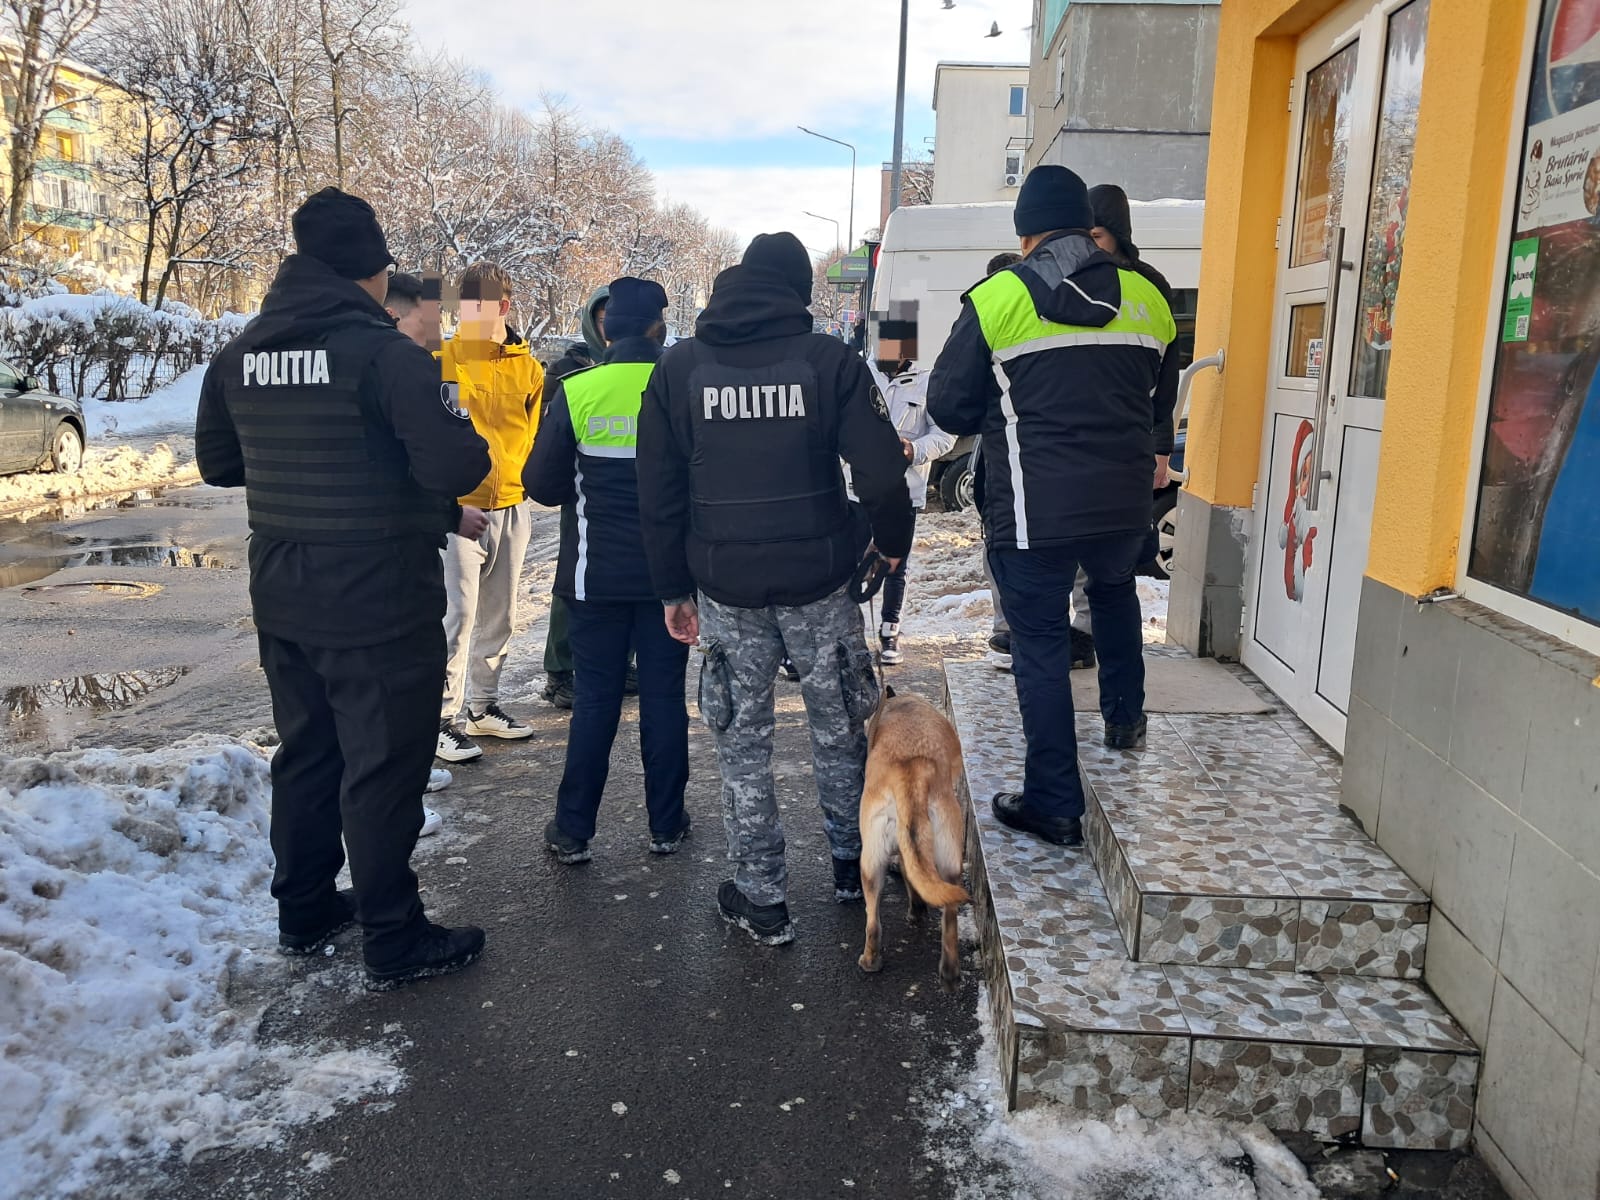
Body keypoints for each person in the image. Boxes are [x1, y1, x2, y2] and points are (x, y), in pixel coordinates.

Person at [195, 187, 490, 990]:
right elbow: (458, 464)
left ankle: (304, 909)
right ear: (373, 270)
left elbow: (219, 464)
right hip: (377, 595)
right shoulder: (384, 356)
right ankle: (394, 936)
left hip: (284, 589)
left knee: (308, 753)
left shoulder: (242, 352)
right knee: (384, 765)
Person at [637, 231, 914, 945]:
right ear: (797, 293)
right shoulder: (828, 362)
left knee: (742, 744)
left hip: (725, 589)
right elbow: (883, 473)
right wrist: (890, 543)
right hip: (820, 584)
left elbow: (657, 494)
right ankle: (857, 868)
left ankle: (762, 898)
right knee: (841, 731)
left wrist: (672, 590)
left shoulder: (678, 369)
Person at [928, 167, 1175, 848]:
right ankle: (1125, 720)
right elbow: (1158, 397)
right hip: (1123, 500)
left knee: (1039, 643)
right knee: (1115, 595)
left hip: (1034, 508)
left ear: (1025, 233)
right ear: (1087, 226)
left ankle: (1054, 802)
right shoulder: (1148, 297)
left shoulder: (998, 298)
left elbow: (948, 406)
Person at [524, 277, 691, 864]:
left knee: (595, 701)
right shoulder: (680, 386)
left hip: (593, 579)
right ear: (658, 329)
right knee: (664, 700)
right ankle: (667, 824)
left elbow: (541, 485)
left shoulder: (578, 390)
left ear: (606, 330)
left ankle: (573, 830)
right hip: (670, 582)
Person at [436, 261, 545, 763]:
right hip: (460, 507)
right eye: (465, 304)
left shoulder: (529, 368)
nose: (470, 313)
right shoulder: (444, 359)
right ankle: (441, 719)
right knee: (456, 616)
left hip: (512, 503)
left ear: (503, 305)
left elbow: (532, 433)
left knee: (500, 615)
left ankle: (484, 706)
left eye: (480, 305)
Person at [387, 268, 472, 837]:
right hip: (392, 552)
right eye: (435, 310)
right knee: (414, 655)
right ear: (405, 311)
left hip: (401, 537)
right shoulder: (405, 366)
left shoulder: (433, 362)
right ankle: (398, 796)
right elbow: (453, 460)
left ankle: (412, 767)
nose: (442, 320)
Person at [539, 285, 610, 712]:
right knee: (573, 581)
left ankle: (617, 662)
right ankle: (560, 669)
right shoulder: (568, 370)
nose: (609, 329)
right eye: (602, 320)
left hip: (621, 491)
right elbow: (547, 434)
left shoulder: (644, 367)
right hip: (578, 492)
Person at [865, 357, 956, 664]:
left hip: (903, 491)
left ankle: (889, 632)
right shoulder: (859, 373)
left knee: (895, 565)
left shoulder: (928, 381)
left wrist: (914, 450)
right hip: (857, 490)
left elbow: (945, 434)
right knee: (850, 564)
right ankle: (849, 636)